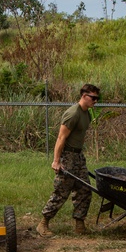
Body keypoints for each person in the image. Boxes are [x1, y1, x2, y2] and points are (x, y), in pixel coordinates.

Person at [36, 84, 100, 237]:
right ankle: (43, 223)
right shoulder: (73, 114)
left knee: (84, 190)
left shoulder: (87, 113)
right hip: (68, 157)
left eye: (97, 98)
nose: (95, 101)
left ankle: (79, 224)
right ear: (84, 96)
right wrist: (56, 161)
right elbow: (61, 138)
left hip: (78, 157)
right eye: (93, 98)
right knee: (61, 191)